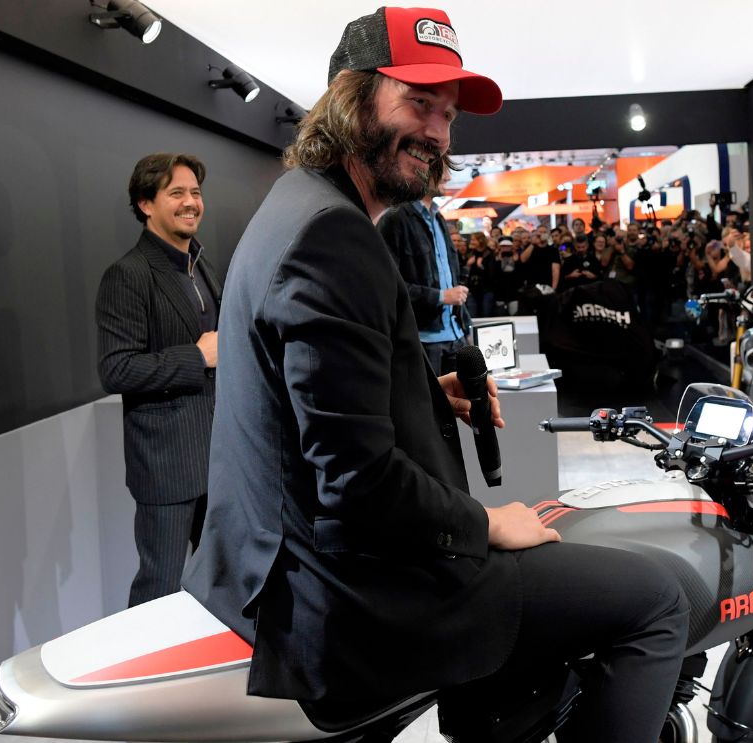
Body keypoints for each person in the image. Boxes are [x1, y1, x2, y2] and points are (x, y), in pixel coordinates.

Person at [182, 9, 689, 742]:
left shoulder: (300, 208)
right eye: (418, 103)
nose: (438, 134)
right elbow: (356, 478)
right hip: (351, 592)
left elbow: (316, 382)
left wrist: (422, 388)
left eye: (448, 115)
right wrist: (484, 522)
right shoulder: (332, 236)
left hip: (295, 565)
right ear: (351, 101)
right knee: (656, 597)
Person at [96, 153, 221, 607]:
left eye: (196, 193)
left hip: (216, 456)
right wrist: (198, 356)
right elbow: (116, 369)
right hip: (167, 465)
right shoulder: (127, 275)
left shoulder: (201, 264)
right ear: (146, 203)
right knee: (159, 593)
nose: (191, 203)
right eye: (177, 193)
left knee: (218, 585)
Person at [378, 170, 469, 374]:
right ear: (424, 170)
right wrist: (440, 296)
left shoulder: (439, 219)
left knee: (461, 405)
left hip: (455, 335)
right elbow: (388, 285)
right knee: (429, 406)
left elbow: (453, 270)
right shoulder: (395, 219)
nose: (447, 177)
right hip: (422, 341)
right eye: (443, 170)